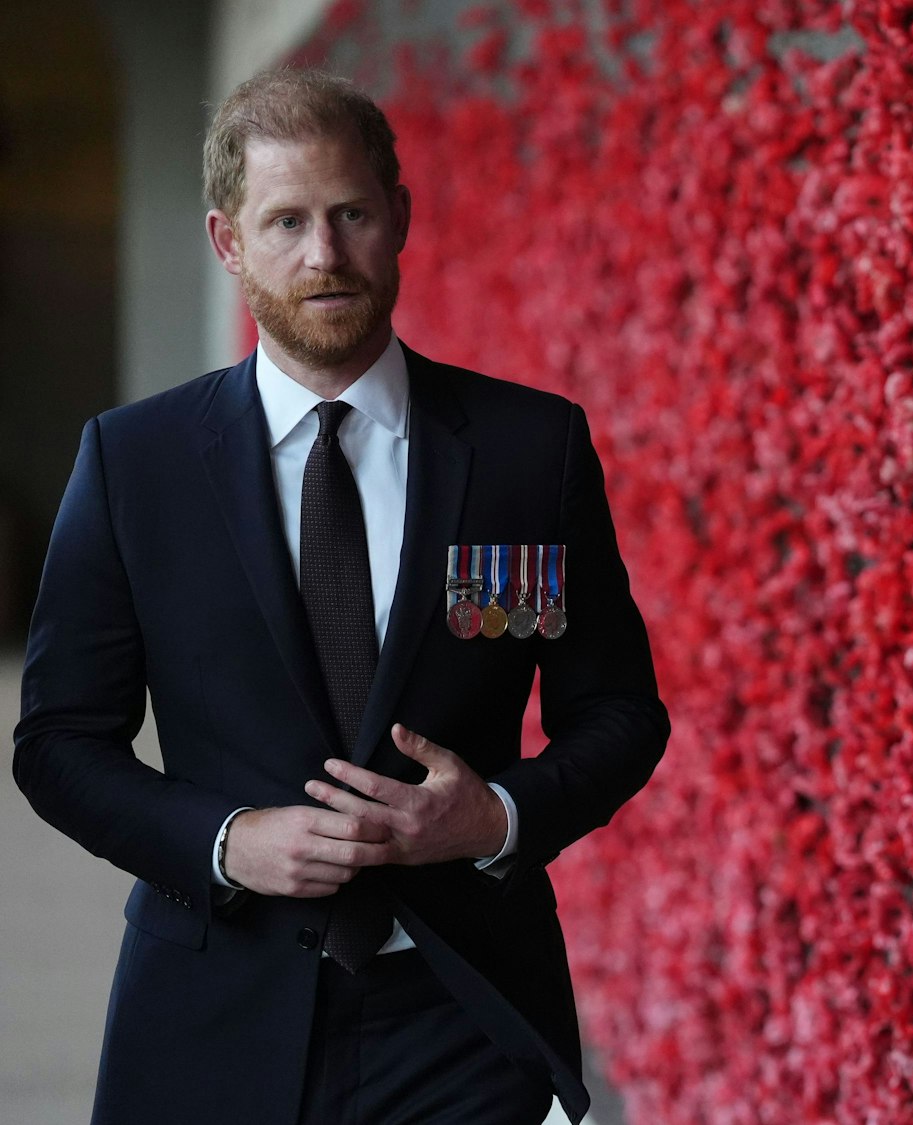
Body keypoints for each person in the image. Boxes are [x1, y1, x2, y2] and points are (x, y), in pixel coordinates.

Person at [11, 67, 668, 1125]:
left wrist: (492, 816)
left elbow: (619, 715)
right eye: (286, 222)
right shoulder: (134, 465)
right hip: (212, 1006)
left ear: (398, 218)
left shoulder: (524, 453)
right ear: (229, 243)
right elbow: (57, 744)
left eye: (350, 213)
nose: (323, 256)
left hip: (462, 1007)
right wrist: (229, 839)